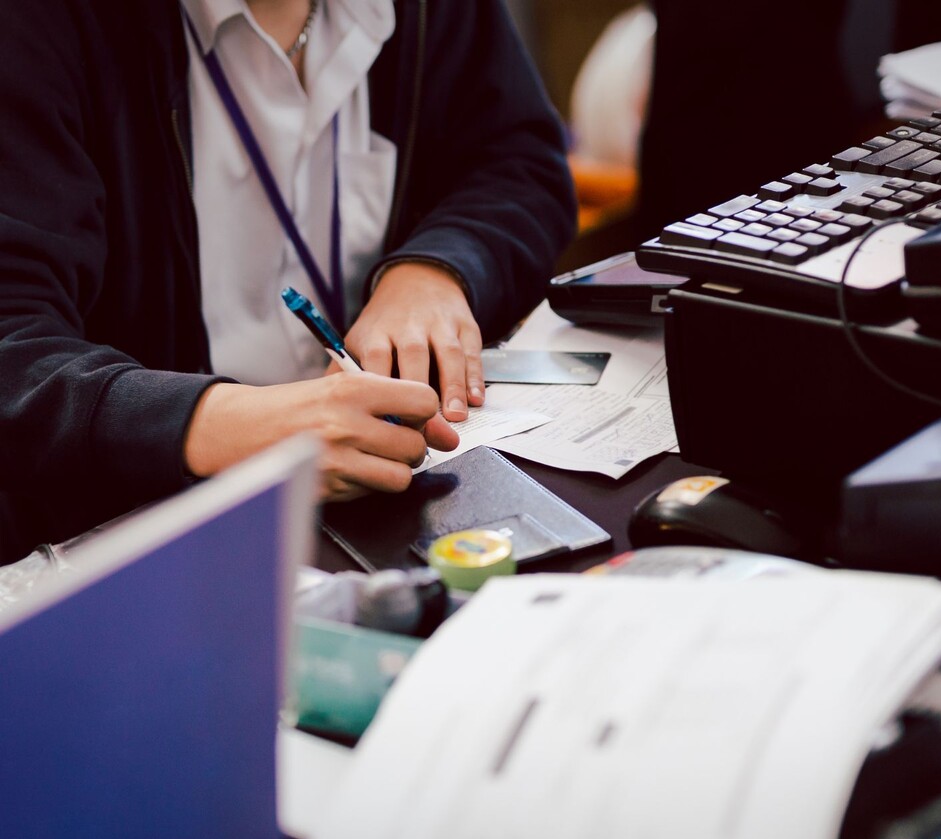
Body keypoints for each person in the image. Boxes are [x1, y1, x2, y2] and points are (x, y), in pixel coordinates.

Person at [0, 0, 576, 563]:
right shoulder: (40, 26)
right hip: (137, 538)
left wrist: (434, 269)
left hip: (387, 495)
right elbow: (13, 344)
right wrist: (209, 426)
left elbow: (519, 163)